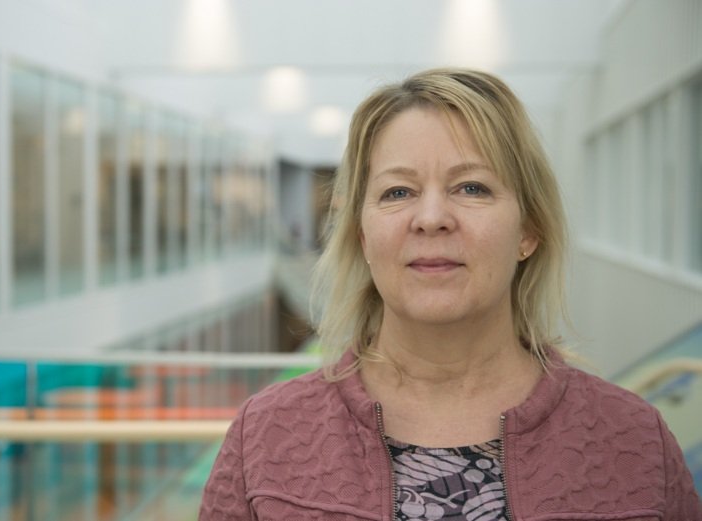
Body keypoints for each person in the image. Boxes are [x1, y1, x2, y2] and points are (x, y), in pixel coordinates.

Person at [199, 68, 702, 520]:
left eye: (472, 188)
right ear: (363, 236)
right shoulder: (265, 436)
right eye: (398, 192)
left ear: (528, 230)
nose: (431, 217)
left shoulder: (636, 440)